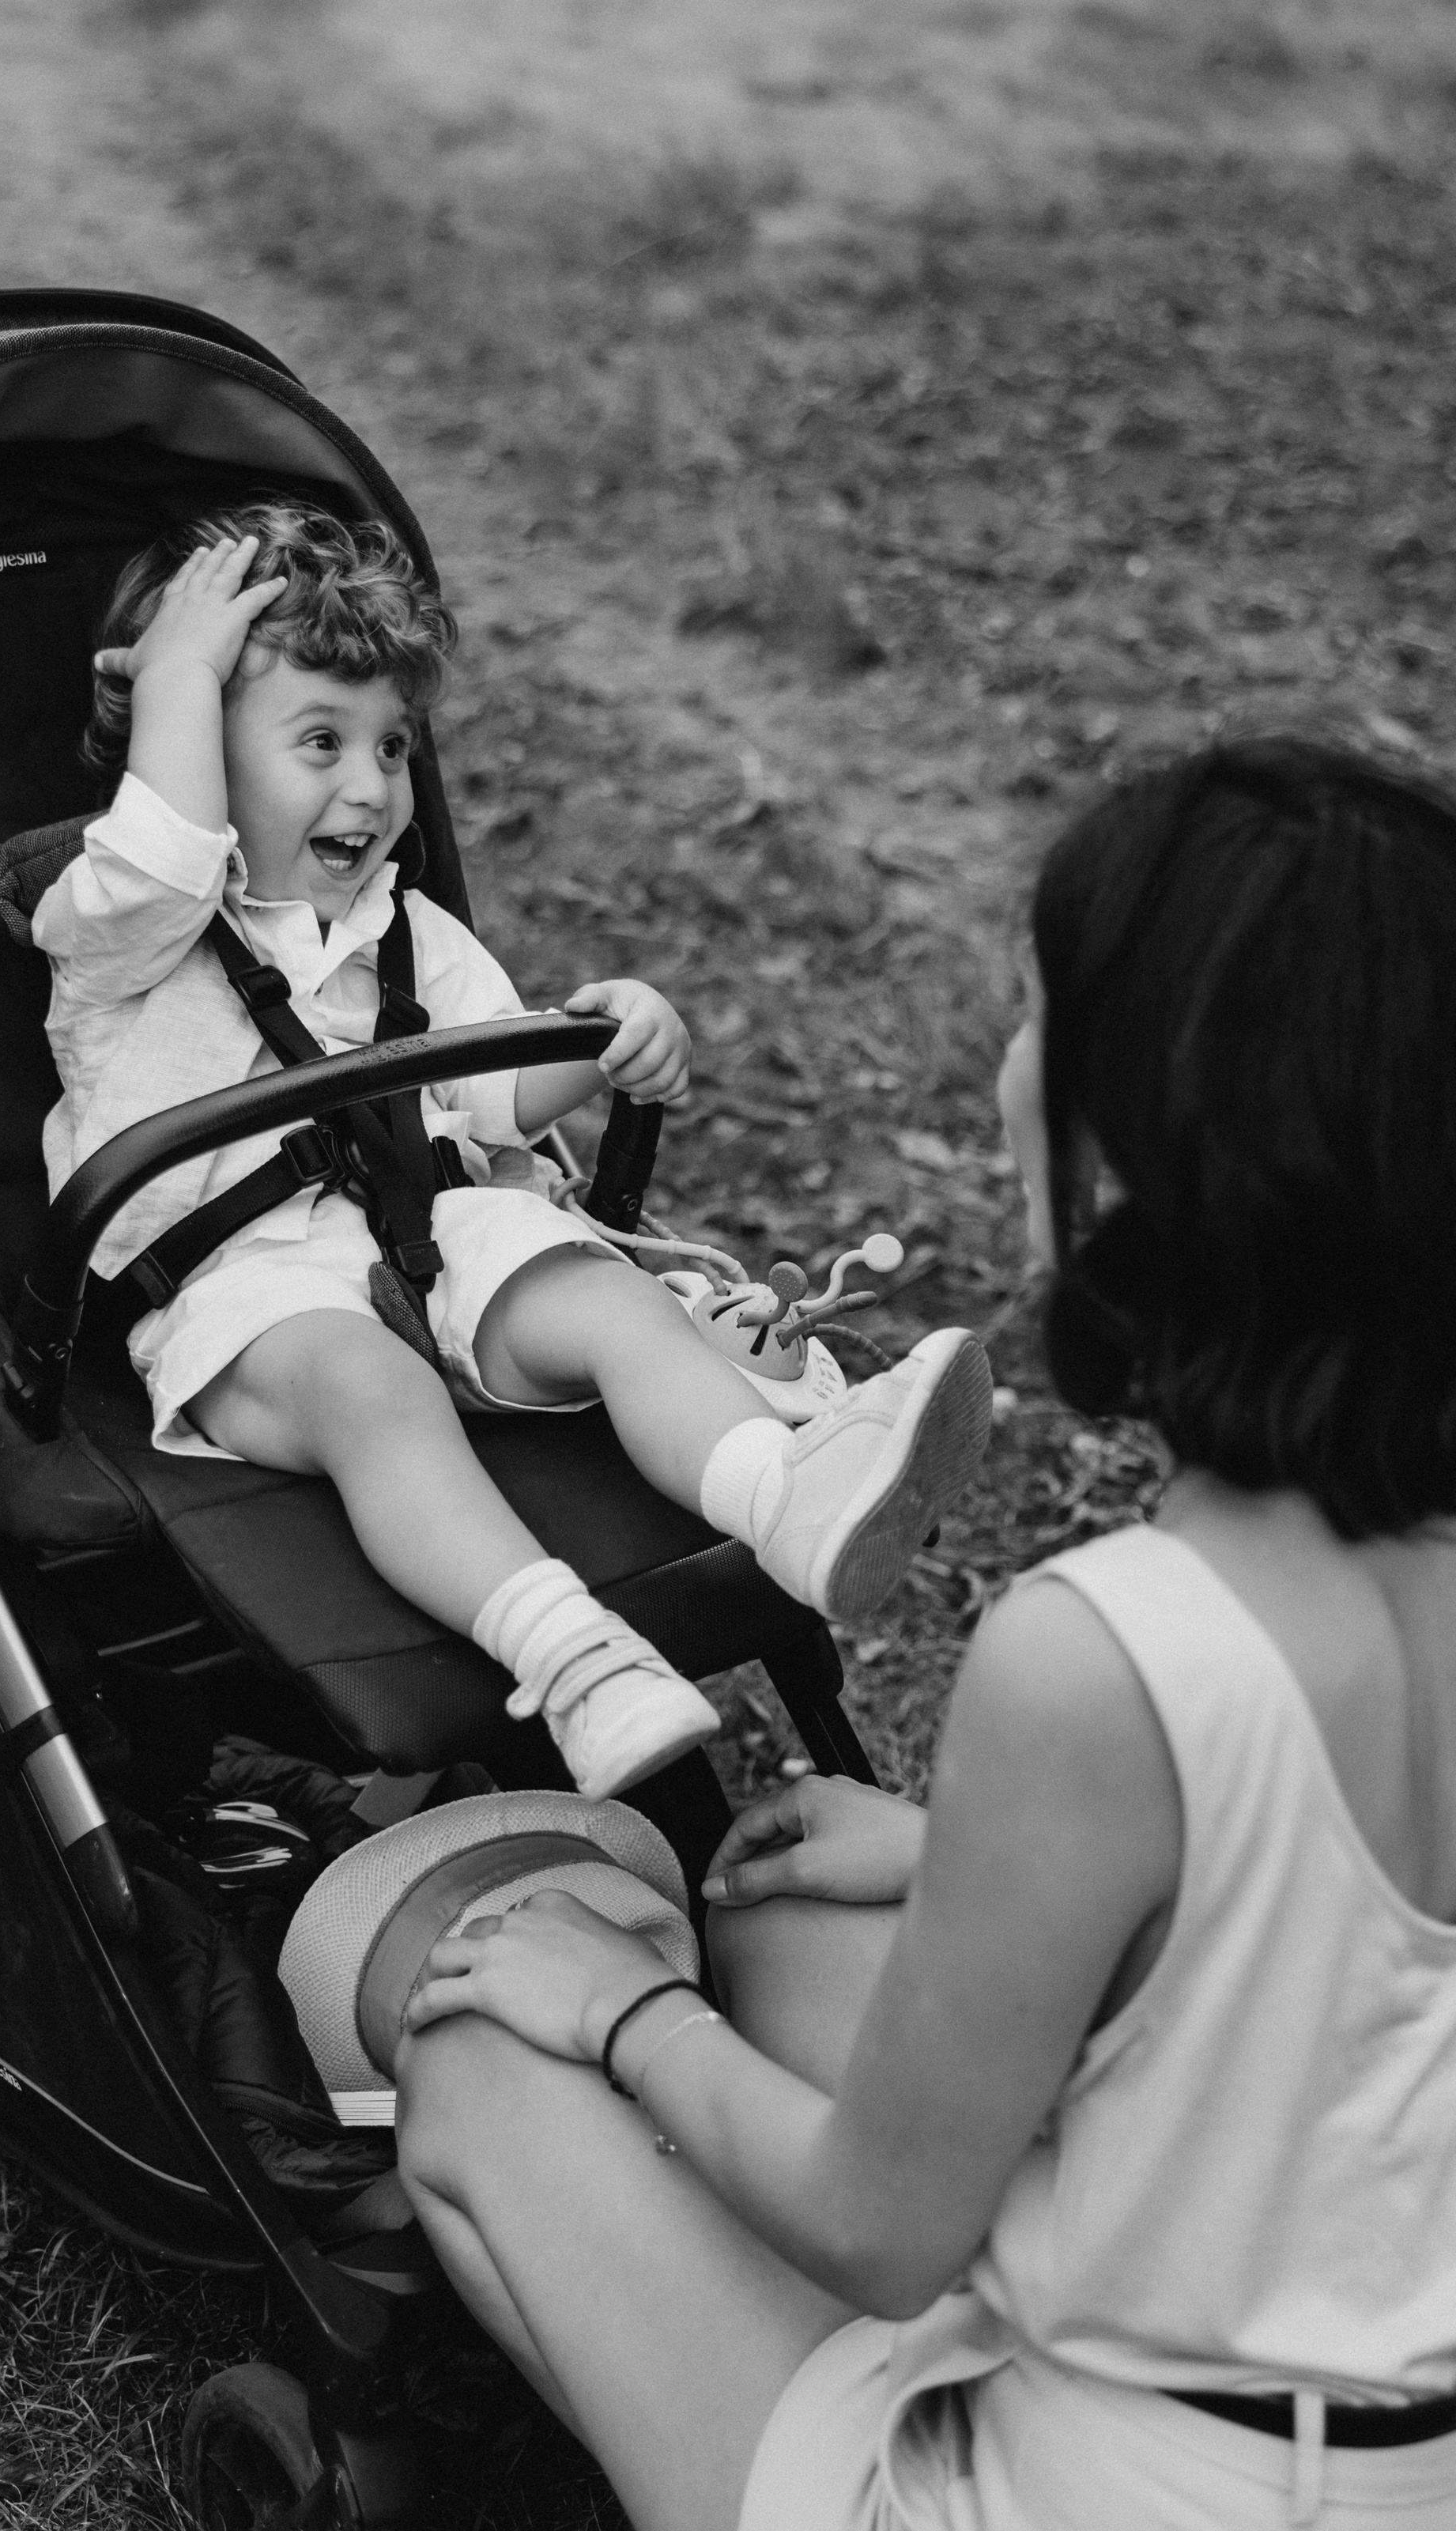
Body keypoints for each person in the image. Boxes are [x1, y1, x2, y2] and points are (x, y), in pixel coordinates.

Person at [394, 737, 1456, 2529]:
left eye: (1037, 1020)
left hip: (1120, 2489)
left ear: (1138, 1149)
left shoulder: (1102, 1656)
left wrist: (625, 2005)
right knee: (798, 1923)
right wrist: (965, 1858)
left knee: (488, 2063)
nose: (1003, 1069)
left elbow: (876, 2231)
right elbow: (1347, 1956)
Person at [32, 500, 992, 1803]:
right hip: (251, 1304)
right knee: (377, 1395)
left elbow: (497, 1089)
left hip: (434, 1242)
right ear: (192, 747)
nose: (369, 787)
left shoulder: (408, 929)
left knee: (597, 1293)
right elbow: (159, 856)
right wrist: (182, 674)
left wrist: (600, 1035)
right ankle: (570, 1655)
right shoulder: (122, 932)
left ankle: (787, 1493)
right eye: (318, 741)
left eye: (389, 746)